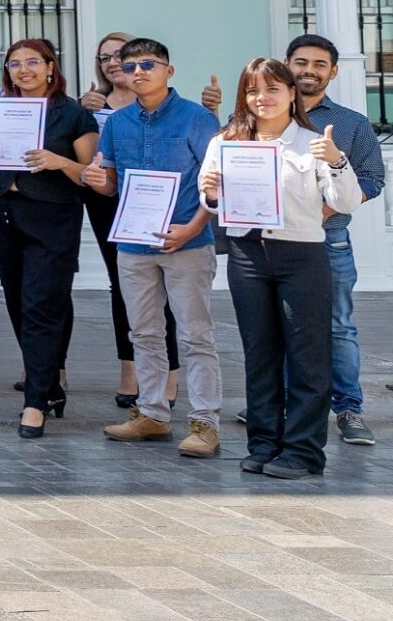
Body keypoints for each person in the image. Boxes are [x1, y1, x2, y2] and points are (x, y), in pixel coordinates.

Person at [200, 57, 357, 480]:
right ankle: (264, 443)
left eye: (272, 89)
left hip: (301, 256)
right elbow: (210, 201)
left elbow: (347, 202)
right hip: (248, 256)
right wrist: (211, 194)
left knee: (307, 356)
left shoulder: (313, 142)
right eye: (253, 90)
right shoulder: (225, 142)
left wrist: (338, 161)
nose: (262, 98)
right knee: (260, 353)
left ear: (291, 93)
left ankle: (303, 451)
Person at [91, 37, 225, 457]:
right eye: (129, 67)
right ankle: (151, 413)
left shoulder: (197, 119)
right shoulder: (117, 122)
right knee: (144, 333)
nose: (138, 72)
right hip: (133, 244)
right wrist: (100, 181)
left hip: (186, 242)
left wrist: (192, 228)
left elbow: (217, 184)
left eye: (148, 64)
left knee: (195, 335)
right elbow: (112, 180)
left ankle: (205, 422)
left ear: (169, 70)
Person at [0, 39, 97, 438]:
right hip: (5, 213)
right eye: (15, 64)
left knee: (40, 305)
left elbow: (89, 174)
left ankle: (34, 403)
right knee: (20, 305)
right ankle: (49, 386)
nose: (24, 70)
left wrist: (59, 161)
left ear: (51, 68)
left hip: (53, 217)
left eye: (33, 62)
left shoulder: (72, 115)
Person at [277, 35, 385, 447]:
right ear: (287, 64)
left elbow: (372, 180)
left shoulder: (352, 123)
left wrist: (320, 212)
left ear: (333, 72)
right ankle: (284, 405)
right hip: (278, 241)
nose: (309, 70)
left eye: (319, 64)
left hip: (329, 240)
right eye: (301, 62)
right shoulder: (270, 116)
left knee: (338, 327)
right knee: (283, 326)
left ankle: (349, 409)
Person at [78, 30, 167, 411]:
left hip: (157, 199)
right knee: (123, 284)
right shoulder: (92, 107)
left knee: (164, 282)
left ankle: (169, 375)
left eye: (120, 55)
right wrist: (80, 110)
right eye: (105, 58)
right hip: (107, 201)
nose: (113, 63)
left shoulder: (160, 104)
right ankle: (129, 372)